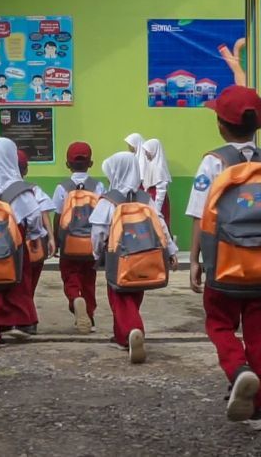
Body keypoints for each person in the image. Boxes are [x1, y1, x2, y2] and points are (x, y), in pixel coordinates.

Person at [187, 85, 261, 432]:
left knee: (219, 323)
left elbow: (200, 214)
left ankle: (238, 369)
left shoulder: (213, 162)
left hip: (225, 262)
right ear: (257, 125)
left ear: (220, 124)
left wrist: (196, 260)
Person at [91, 152, 179, 363]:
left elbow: (98, 232)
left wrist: (95, 253)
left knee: (119, 297)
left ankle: (133, 330)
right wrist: (171, 251)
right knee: (135, 295)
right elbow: (161, 226)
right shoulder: (145, 198)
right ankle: (122, 336)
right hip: (145, 256)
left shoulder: (109, 200)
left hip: (119, 258)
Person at [0, 138, 47, 350]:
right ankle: (17, 322)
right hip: (14, 245)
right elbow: (34, 217)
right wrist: (36, 234)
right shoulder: (19, 189)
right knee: (18, 282)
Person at [51, 141, 105, 334]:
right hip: (90, 243)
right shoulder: (98, 186)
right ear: (91, 163)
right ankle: (89, 315)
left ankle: (75, 299)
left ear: (67, 164)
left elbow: (58, 216)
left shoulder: (62, 188)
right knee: (89, 280)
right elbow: (102, 216)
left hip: (69, 243)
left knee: (70, 276)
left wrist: (57, 241)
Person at [18, 148, 57, 336]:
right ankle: (26, 317)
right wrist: (50, 237)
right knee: (29, 284)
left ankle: (16, 318)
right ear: (26, 170)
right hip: (33, 244)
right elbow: (43, 213)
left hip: (4, 245)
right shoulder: (32, 189)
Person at [140, 138, 172, 227]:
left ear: (153, 151)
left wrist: (157, 210)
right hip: (150, 199)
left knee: (159, 225)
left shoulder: (159, 167)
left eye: (147, 151)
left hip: (157, 201)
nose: (145, 154)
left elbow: (161, 191)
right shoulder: (150, 164)